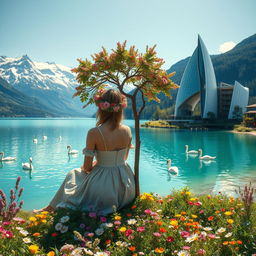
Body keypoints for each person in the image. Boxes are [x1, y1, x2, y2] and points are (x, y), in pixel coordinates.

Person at [34, 89, 135, 215]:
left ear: (101, 108)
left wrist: (97, 164)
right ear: (120, 108)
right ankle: (49, 208)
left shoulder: (94, 132)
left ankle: (49, 209)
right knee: (77, 175)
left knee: (73, 173)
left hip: (104, 190)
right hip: (126, 186)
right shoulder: (127, 130)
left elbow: (87, 167)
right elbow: (124, 158)